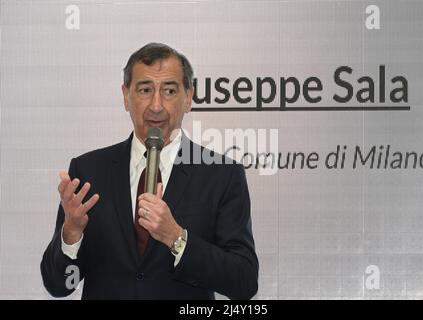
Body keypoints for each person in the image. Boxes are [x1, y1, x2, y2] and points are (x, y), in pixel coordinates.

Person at [40, 43, 259, 300]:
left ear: (188, 98)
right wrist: (72, 234)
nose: (156, 105)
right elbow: (59, 285)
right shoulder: (88, 171)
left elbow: (243, 282)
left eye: (169, 91)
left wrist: (177, 238)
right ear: (125, 96)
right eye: (145, 90)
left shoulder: (221, 175)